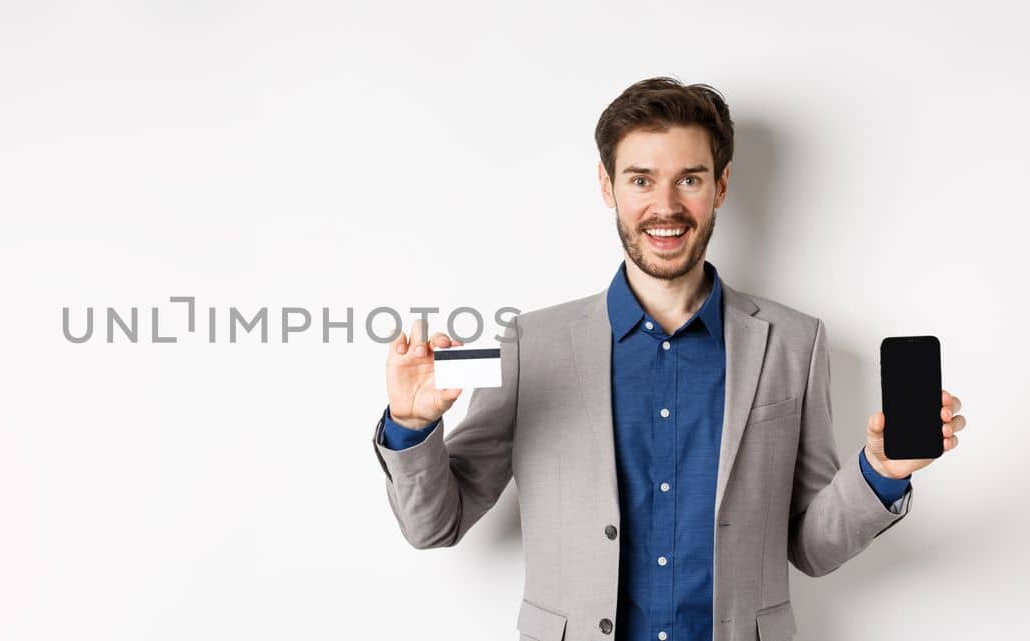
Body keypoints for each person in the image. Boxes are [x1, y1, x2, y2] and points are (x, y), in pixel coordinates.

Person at [371, 77, 967, 641]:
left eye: (689, 179)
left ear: (722, 186)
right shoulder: (532, 344)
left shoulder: (794, 342)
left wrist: (881, 473)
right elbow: (434, 526)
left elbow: (812, 547)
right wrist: (413, 426)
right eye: (640, 179)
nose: (665, 205)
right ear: (607, 186)